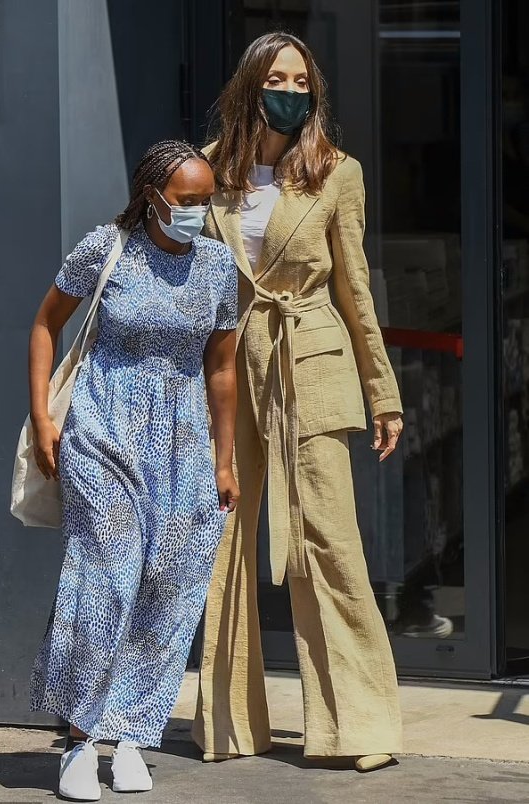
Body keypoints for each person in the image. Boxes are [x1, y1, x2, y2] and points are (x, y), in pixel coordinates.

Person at [192, 33, 404, 772]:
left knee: (328, 541)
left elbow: (356, 288)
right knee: (222, 543)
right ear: (249, 86)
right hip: (226, 368)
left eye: (301, 80)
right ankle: (226, 726)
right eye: (277, 77)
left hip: (308, 359)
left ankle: (358, 727)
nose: (290, 90)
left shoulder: (335, 174)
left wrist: (381, 391)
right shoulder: (211, 169)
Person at [29, 140, 239, 800]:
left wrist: (224, 459)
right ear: (150, 197)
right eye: (185, 201)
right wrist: (43, 419)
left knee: (171, 587)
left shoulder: (218, 266)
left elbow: (223, 367)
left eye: (207, 201)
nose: (198, 212)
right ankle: (79, 741)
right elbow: (45, 325)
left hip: (183, 443)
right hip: (103, 427)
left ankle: (128, 735)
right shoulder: (106, 248)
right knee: (108, 577)